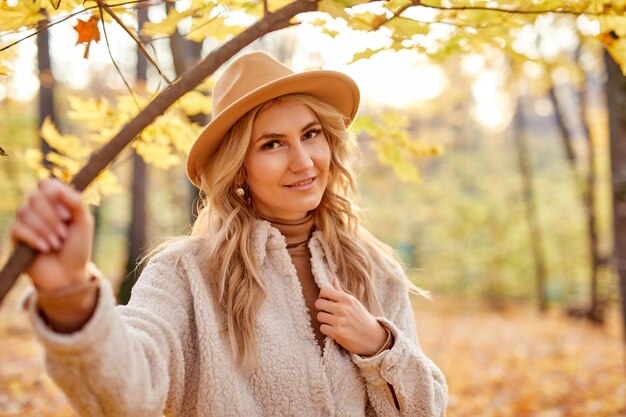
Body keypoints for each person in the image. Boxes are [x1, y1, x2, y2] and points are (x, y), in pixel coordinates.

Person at [10, 51, 448, 416]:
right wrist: (70, 296)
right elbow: (127, 391)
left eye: (310, 135)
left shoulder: (374, 269)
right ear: (239, 167)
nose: (303, 161)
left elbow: (427, 408)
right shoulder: (187, 273)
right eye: (272, 144)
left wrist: (379, 345)